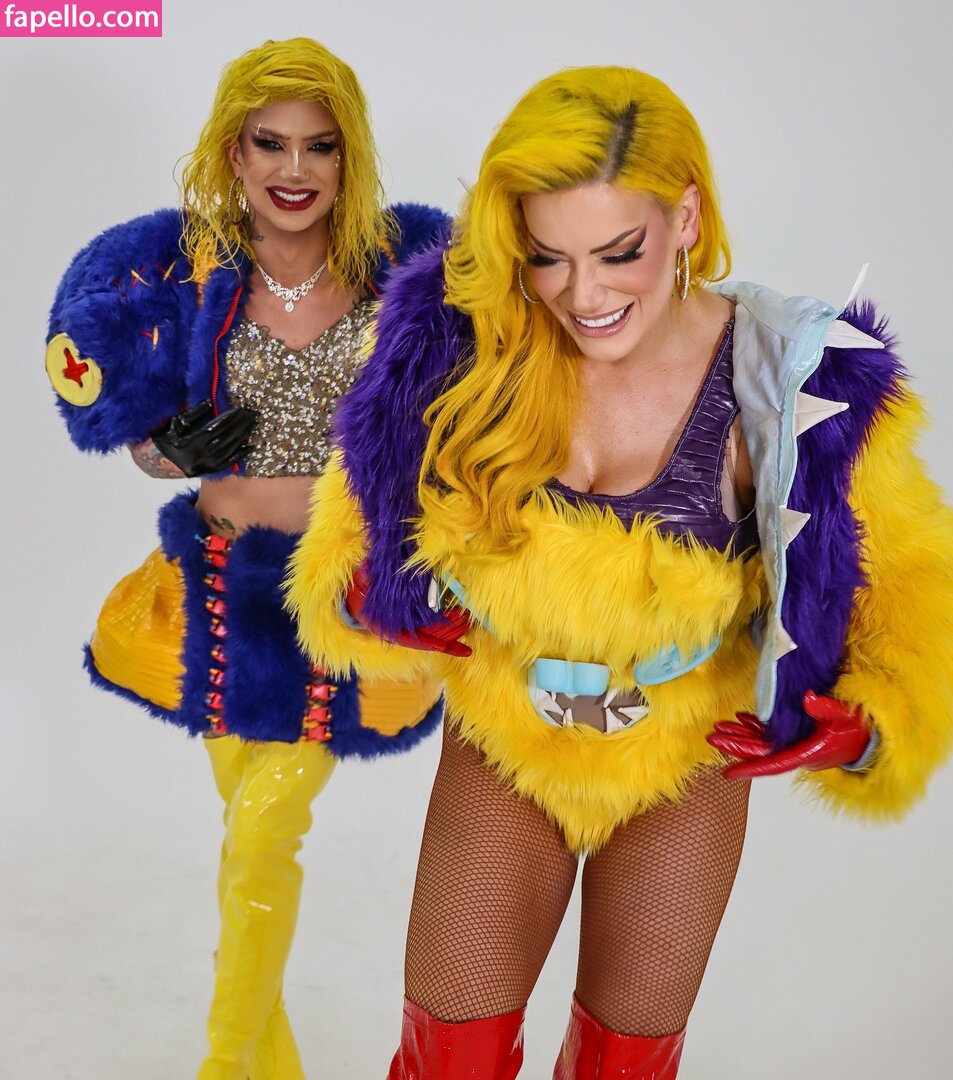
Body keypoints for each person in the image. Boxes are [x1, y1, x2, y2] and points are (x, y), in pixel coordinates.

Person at [286, 64, 953, 1078]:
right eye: (547, 257)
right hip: (505, 739)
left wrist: (873, 716)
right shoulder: (459, 341)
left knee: (625, 1066)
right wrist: (367, 591)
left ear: (684, 217)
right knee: (445, 1059)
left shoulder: (796, 384)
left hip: (684, 754)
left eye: (618, 252)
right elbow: (357, 522)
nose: (583, 295)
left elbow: (911, 582)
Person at [45, 38, 448, 1080]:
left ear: (350, 156)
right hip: (220, 596)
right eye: (270, 143)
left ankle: (222, 1065)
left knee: (265, 831)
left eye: (320, 145)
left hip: (335, 600)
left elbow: (475, 404)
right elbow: (127, 424)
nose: (294, 168)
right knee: (250, 846)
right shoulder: (187, 273)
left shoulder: (400, 274)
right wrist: (166, 452)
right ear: (234, 151)